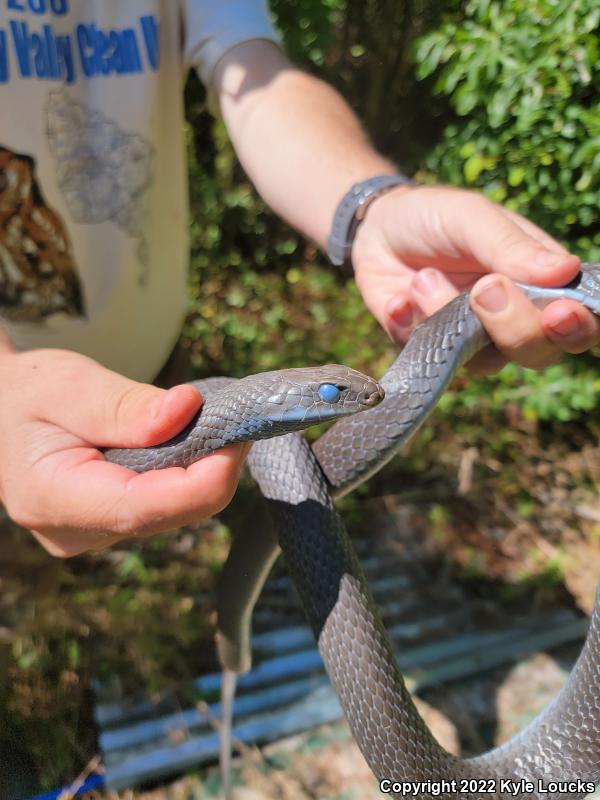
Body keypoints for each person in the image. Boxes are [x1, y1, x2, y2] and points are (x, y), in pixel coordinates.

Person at [0, 2, 598, 560]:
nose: (362, 399)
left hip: (158, 366)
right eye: (331, 397)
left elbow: (256, 77)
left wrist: (372, 210)